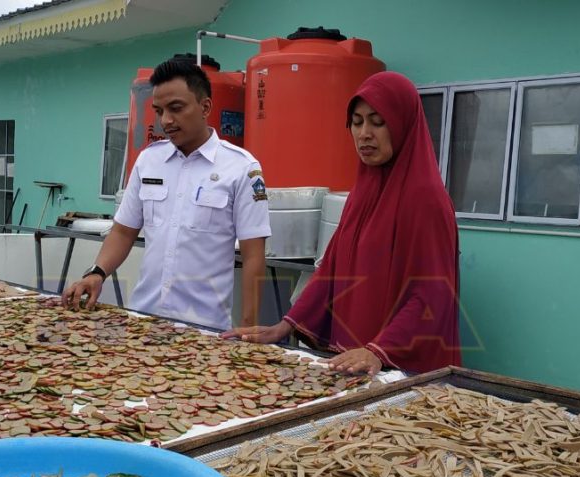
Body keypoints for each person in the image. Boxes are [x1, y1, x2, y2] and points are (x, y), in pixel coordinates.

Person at [224, 71, 460, 375]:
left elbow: (433, 293)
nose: (364, 133)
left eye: (378, 122)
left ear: (403, 125)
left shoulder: (425, 199)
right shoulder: (363, 192)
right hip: (357, 365)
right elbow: (332, 271)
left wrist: (379, 350)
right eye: (357, 122)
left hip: (404, 371)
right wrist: (284, 325)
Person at [62, 58, 270, 330]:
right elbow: (124, 231)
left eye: (176, 108)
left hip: (204, 329)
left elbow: (254, 255)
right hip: (142, 322)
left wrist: (248, 327)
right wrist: (97, 273)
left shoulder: (242, 167)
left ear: (205, 106)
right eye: (159, 111)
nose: (166, 121)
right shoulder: (149, 161)